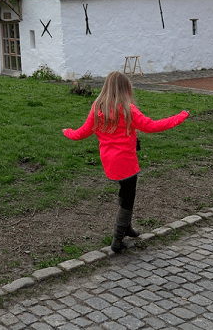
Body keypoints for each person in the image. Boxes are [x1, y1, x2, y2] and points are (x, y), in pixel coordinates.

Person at [62, 71, 189, 253]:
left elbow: (82, 132)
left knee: (124, 192)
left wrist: (68, 132)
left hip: (109, 162)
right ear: (125, 88)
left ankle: (127, 227)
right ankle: (118, 238)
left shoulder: (97, 107)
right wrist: (181, 116)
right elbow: (152, 126)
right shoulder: (128, 109)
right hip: (126, 163)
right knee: (129, 197)